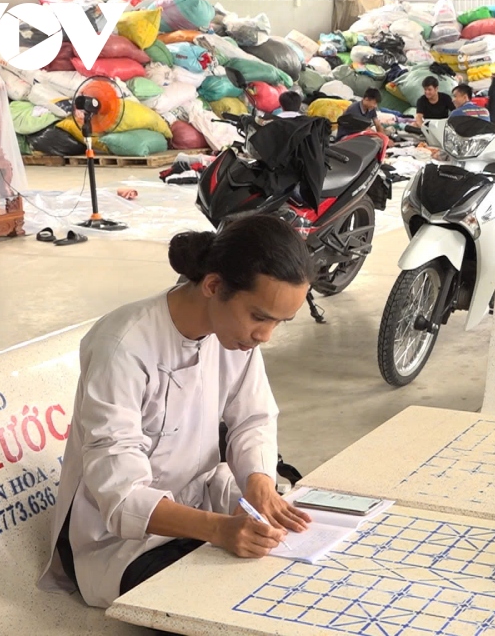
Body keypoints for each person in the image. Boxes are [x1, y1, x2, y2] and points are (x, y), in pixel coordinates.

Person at [38, 215, 315, 609]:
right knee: (225, 606)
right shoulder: (123, 346)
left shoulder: (233, 337)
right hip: (120, 543)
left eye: (279, 323)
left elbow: (253, 418)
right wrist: (219, 530)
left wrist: (259, 484)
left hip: (201, 505)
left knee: (290, 567)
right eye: (259, 317)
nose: (264, 336)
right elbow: (120, 496)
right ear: (214, 285)